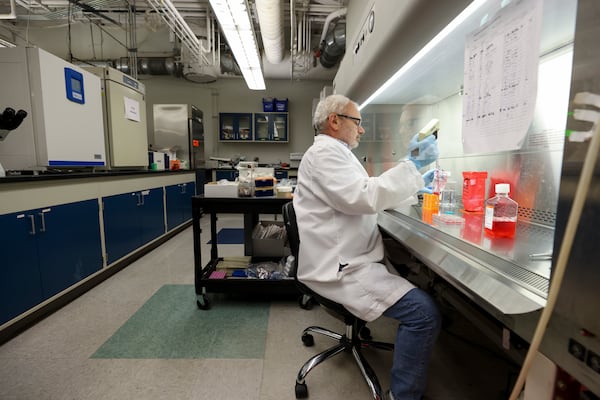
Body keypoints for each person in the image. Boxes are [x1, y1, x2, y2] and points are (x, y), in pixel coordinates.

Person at [293, 94, 441, 400]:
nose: (361, 131)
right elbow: (363, 197)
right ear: (335, 121)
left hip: (348, 257)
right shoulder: (325, 154)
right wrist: (410, 168)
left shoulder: (337, 153)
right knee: (424, 313)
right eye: (357, 122)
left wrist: (415, 186)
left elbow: (364, 196)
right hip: (341, 268)